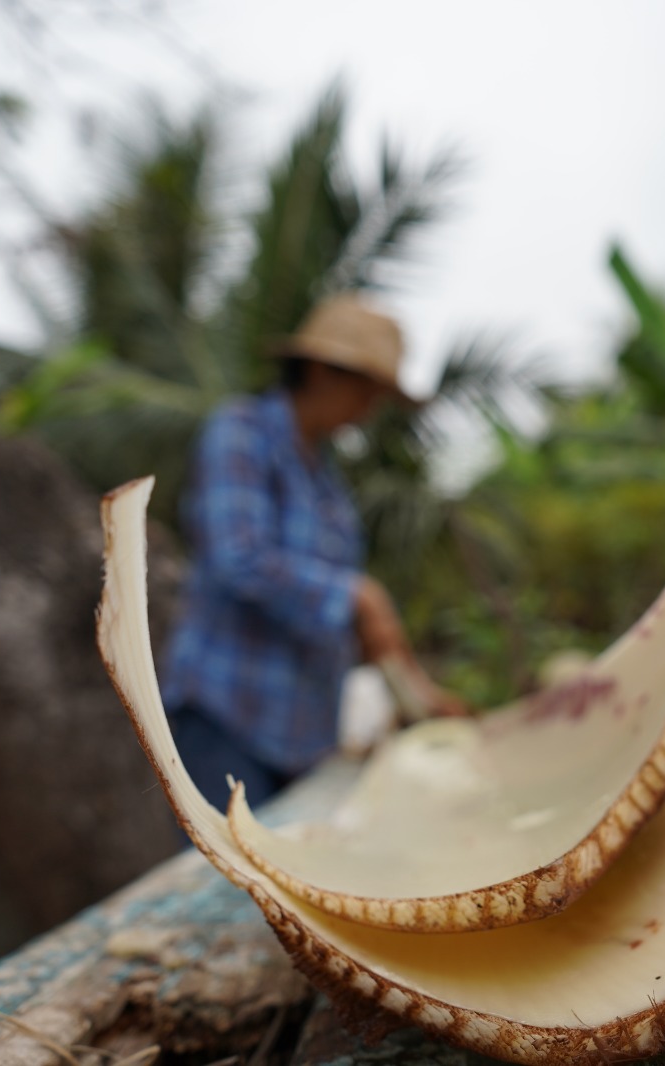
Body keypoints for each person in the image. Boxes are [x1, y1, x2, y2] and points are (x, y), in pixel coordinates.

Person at [161, 293, 460, 813]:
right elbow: (238, 559)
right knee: (231, 863)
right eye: (367, 391)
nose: (370, 409)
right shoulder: (242, 433)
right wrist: (359, 598)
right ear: (322, 372)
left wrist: (415, 688)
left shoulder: (327, 482)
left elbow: (331, 614)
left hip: (300, 740)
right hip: (226, 718)